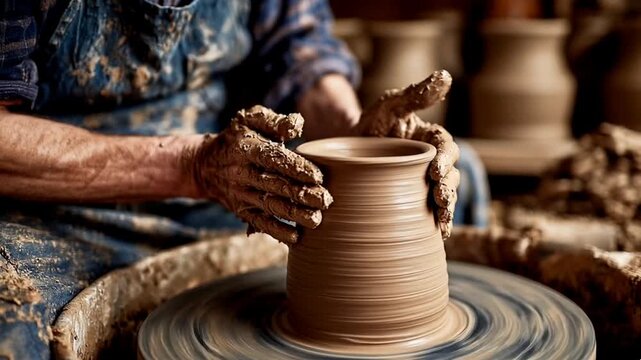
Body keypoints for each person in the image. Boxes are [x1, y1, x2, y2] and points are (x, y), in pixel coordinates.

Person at [0, 0, 489, 358]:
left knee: (448, 184)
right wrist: (190, 166)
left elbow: (295, 46)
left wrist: (354, 131)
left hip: (229, 182)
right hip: (59, 201)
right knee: (13, 334)